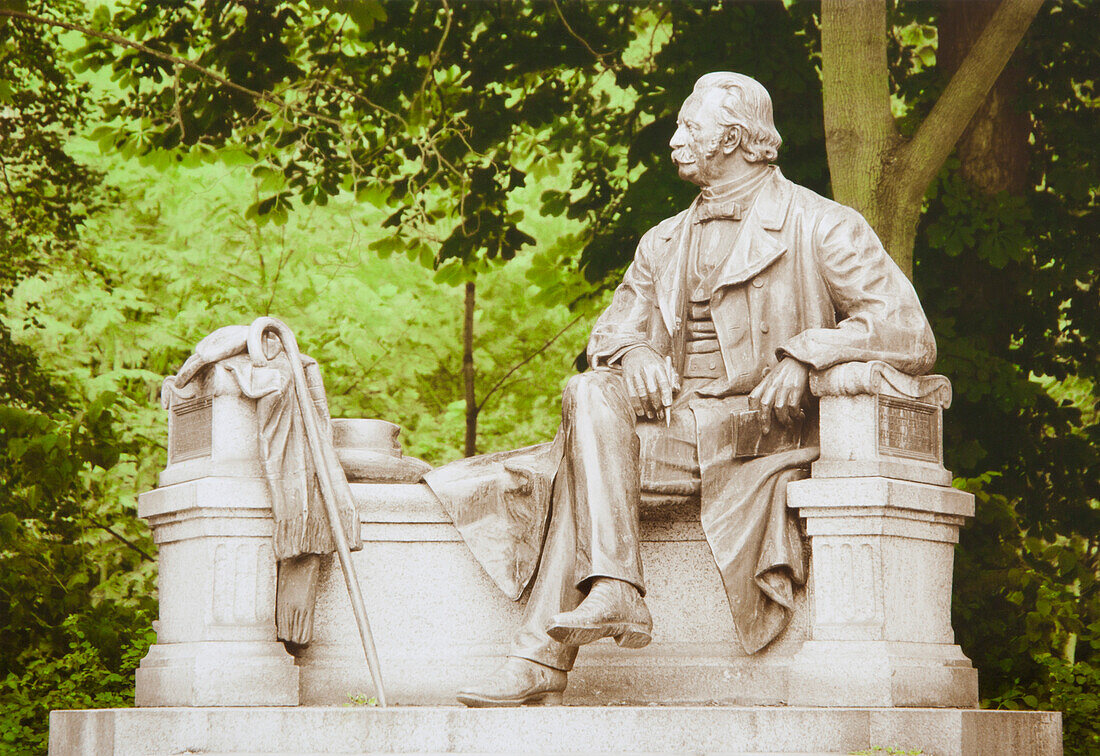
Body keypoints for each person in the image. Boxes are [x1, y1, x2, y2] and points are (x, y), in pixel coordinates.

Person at [423, 72, 936, 707]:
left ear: (737, 138)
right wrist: (635, 351)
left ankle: (541, 660)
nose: (674, 140)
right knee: (587, 392)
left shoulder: (822, 225)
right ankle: (613, 591)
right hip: (672, 427)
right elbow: (611, 330)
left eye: (689, 127)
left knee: (579, 465)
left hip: (758, 431)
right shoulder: (663, 239)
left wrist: (806, 353)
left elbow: (907, 330)